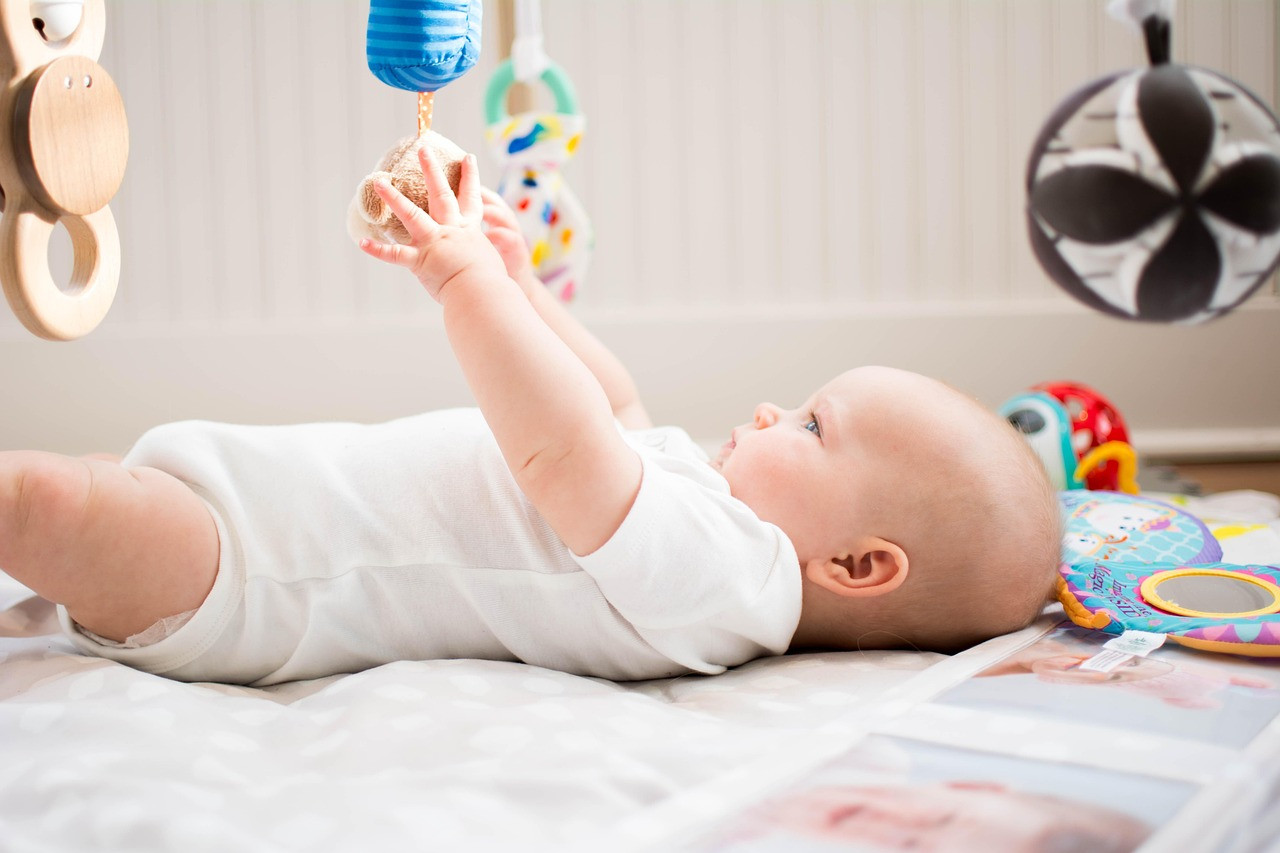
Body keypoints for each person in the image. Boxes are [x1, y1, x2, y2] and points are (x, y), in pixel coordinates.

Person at [0, 148, 1061, 686]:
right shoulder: (703, 529)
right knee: (60, 498)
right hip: (250, 508)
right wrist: (529, 287)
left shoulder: (727, 584)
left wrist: (467, 284)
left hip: (240, 578)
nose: (773, 410)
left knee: (41, 501)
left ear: (858, 567)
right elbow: (612, 408)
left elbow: (565, 448)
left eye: (814, 429)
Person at [707, 780, 1151, 852]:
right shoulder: (871, 756)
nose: (897, 828)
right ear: (972, 786)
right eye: (942, 820)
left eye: (909, 850)